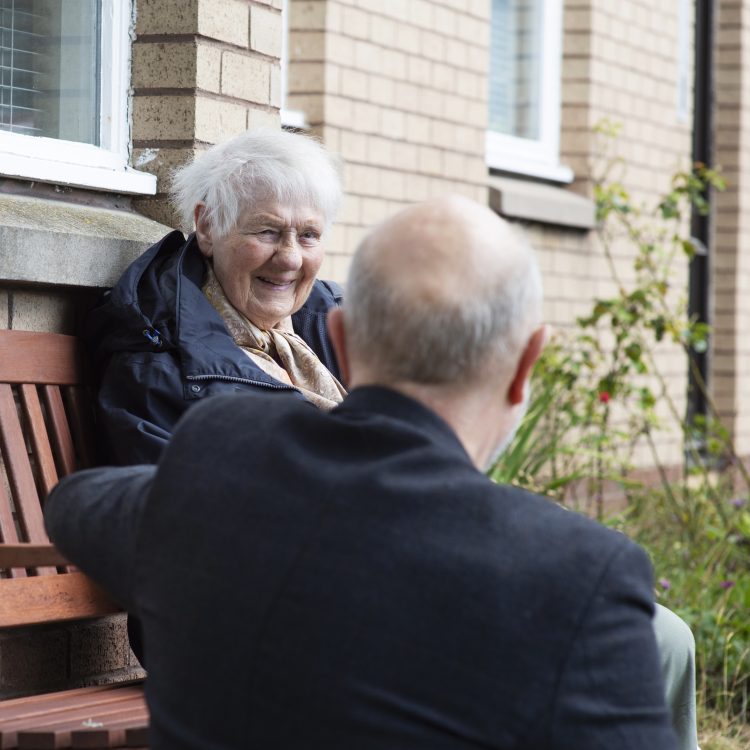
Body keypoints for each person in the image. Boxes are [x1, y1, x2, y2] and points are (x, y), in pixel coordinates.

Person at [47, 196, 680, 749]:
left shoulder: (214, 462)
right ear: (526, 365)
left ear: (341, 342)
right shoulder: (584, 575)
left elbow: (76, 506)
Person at [86, 127, 345, 466]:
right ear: (207, 226)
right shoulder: (159, 368)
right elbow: (187, 509)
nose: (291, 258)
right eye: (268, 231)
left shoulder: (336, 322)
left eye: (309, 235)